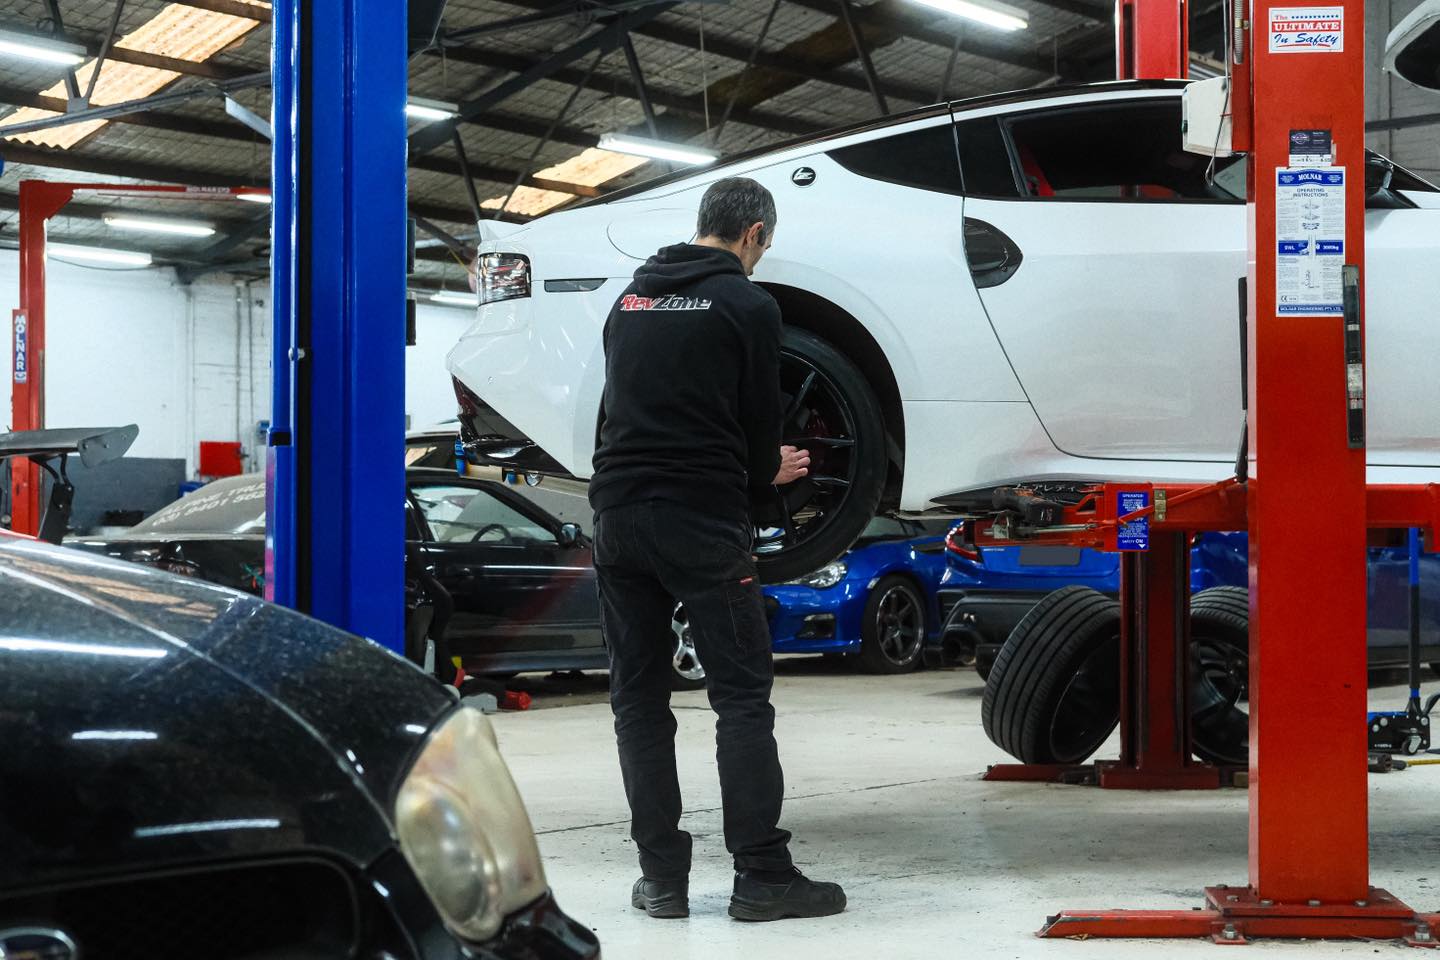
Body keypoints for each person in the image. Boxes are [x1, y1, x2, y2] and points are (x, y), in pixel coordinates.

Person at [588, 176, 847, 923]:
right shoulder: (745, 303)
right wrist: (774, 469)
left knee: (637, 703)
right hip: (698, 521)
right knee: (740, 701)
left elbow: (616, 411)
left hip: (618, 518)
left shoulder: (629, 302)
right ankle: (763, 876)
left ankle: (661, 881)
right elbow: (760, 422)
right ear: (755, 234)